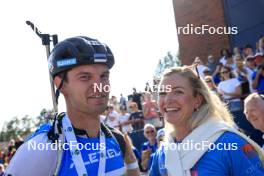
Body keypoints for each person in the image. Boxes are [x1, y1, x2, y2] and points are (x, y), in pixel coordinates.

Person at [5, 36, 140, 176]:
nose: (99, 86)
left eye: (103, 76)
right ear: (61, 84)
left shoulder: (116, 139)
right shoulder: (41, 149)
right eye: (85, 77)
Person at [149, 66, 264, 176]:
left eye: (178, 92)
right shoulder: (163, 153)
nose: (168, 100)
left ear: (198, 100)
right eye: (162, 93)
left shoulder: (229, 143)